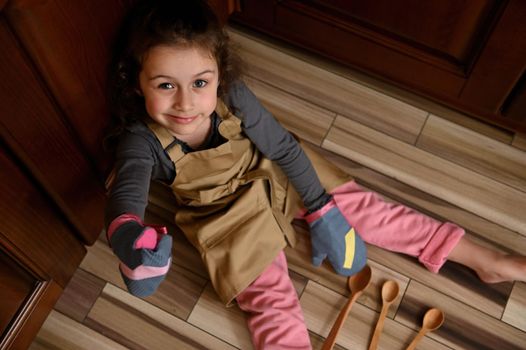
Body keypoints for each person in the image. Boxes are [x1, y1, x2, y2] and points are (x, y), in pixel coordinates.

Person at [104, 1, 526, 348]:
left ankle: (487, 261)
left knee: (366, 209)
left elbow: (284, 147)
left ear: (219, 75)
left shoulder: (234, 95)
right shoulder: (142, 142)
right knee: (273, 301)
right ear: (137, 82)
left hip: (273, 172)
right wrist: (130, 238)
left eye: (200, 83)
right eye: (165, 86)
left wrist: (323, 208)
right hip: (226, 218)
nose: (185, 103)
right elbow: (127, 200)